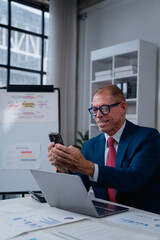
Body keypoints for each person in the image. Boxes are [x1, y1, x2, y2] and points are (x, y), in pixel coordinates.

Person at [48, 84, 160, 214]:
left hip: (142, 217)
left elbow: (135, 179)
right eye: (94, 110)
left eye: (104, 108)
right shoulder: (90, 145)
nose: (98, 115)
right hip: (105, 216)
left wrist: (88, 167)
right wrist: (63, 170)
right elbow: (80, 188)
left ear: (123, 107)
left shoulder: (148, 137)